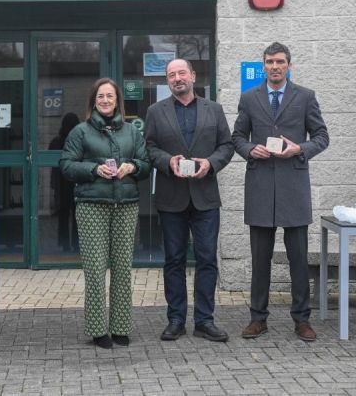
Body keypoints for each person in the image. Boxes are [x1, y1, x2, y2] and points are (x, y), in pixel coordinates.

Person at [232, 42, 329, 342]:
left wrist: (301, 148)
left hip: (293, 187)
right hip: (260, 186)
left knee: (298, 259)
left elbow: (322, 136)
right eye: (269, 62)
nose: (274, 66)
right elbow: (236, 137)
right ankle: (257, 319)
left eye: (280, 62)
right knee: (260, 259)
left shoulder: (306, 97)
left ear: (289, 65)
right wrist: (250, 149)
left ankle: (302, 320)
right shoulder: (249, 98)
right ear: (263, 66)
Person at [145, 59, 234, 342]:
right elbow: (149, 147)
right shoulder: (155, 112)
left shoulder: (214, 110)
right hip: (172, 197)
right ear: (167, 81)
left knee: (207, 259)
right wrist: (166, 160)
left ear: (193, 76)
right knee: (174, 261)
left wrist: (210, 163)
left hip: (205, 197)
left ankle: (205, 321)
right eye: (171, 75)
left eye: (181, 73)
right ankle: (176, 319)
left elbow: (227, 146)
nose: (177, 78)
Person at [60, 78, 151, 349]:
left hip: (126, 204)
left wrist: (132, 167)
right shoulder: (81, 131)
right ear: (93, 101)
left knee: (123, 268)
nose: (106, 101)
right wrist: (93, 169)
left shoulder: (132, 132)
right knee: (95, 269)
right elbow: (65, 164)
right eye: (101, 96)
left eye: (110, 96)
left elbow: (146, 164)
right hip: (91, 206)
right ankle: (98, 329)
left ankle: (121, 327)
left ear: (117, 100)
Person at [49, 113, 80, 252]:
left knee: (63, 214)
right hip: (76, 181)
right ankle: (76, 243)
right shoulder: (78, 141)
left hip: (61, 183)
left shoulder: (57, 141)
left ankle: (64, 243)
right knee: (77, 215)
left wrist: (53, 184)